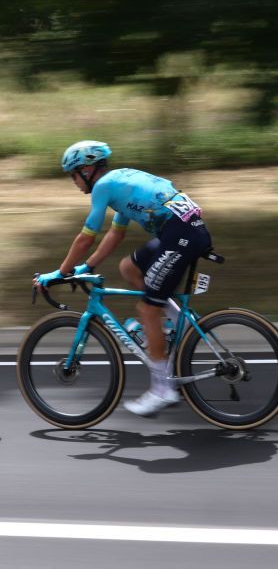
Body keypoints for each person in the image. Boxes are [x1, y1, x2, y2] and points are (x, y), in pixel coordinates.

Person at [33, 141, 213, 417]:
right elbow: (115, 234)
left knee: (147, 310)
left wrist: (60, 273)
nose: (73, 181)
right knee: (129, 267)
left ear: (88, 170)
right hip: (183, 231)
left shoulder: (104, 187)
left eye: (73, 174)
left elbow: (86, 237)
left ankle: (163, 390)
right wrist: (86, 267)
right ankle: (178, 321)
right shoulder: (121, 182)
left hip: (181, 235)